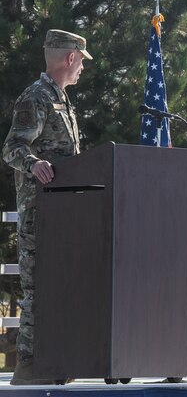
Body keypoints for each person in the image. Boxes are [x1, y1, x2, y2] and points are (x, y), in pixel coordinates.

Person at [2, 29, 91, 385]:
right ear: (70, 57)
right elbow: (12, 147)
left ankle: (55, 362)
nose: (83, 67)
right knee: (38, 287)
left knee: (62, 285)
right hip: (40, 212)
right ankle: (28, 367)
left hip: (64, 211)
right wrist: (33, 163)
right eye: (82, 60)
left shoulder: (62, 100)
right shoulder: (36, 97)